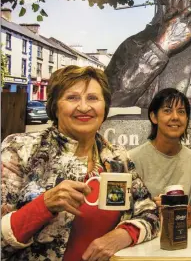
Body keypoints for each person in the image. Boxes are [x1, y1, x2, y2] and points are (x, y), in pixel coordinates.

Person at [1, 66, 159, 261]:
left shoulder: (117, 158)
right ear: (55, 107)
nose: (84, 107)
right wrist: (44, 205)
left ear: (104, 107)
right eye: (72, 98)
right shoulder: (20, 150)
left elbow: (150, 213)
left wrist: (122, 235)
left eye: (93, 98)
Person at [129, 88, 191, 228]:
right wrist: (150, 209)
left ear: (187, 119)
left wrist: (190, 219)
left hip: (183, 240)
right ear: (154, 117)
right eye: (167, 110)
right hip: (143, 242)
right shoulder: (132, 159)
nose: (175, 117)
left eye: (181, 112)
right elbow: (124, 213)